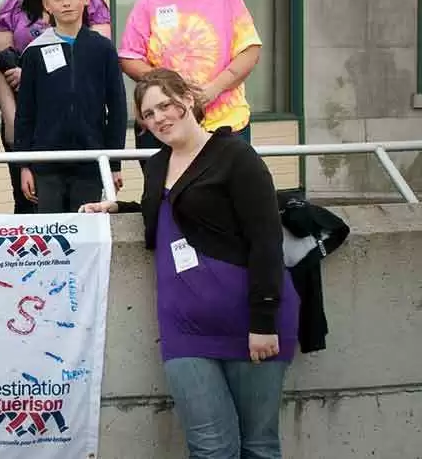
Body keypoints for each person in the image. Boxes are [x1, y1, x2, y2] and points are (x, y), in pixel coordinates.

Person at [80, 68, 298, 459]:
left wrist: (263, 321)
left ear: (187, 100)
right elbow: (171, 208)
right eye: (149, 114)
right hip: (184, 328)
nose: (160, 117)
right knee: (210, 449)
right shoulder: (158, 164)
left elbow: (266, 239)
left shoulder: (236, 156)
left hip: (250, 323)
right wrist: (118, 207)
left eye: (166, 105)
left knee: (258, 446)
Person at [118, 0, 261, 160]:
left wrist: (213, 90)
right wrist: (168, 88)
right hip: (164, 125)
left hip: (224, 123)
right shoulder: (149, 1)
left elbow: (249, 50)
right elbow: (129, 57)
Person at [0, 0, 112, 213]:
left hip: (78, 129)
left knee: (80, 215)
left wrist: (43, 76)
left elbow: (97, 67)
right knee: (28, 208)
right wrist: (12, 123)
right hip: (26, 123)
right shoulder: (10, 8)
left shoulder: (93, 4)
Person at [14, 0, 126, 213]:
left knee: (85, 234)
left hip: (91, 163)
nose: (66, 2)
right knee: (51, 236)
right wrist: (24, 165)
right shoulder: (34, 52)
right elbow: (25, 113)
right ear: (46, 4)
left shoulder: (103, 49)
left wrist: (114, 163)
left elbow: (117, 109)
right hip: (46, 165)